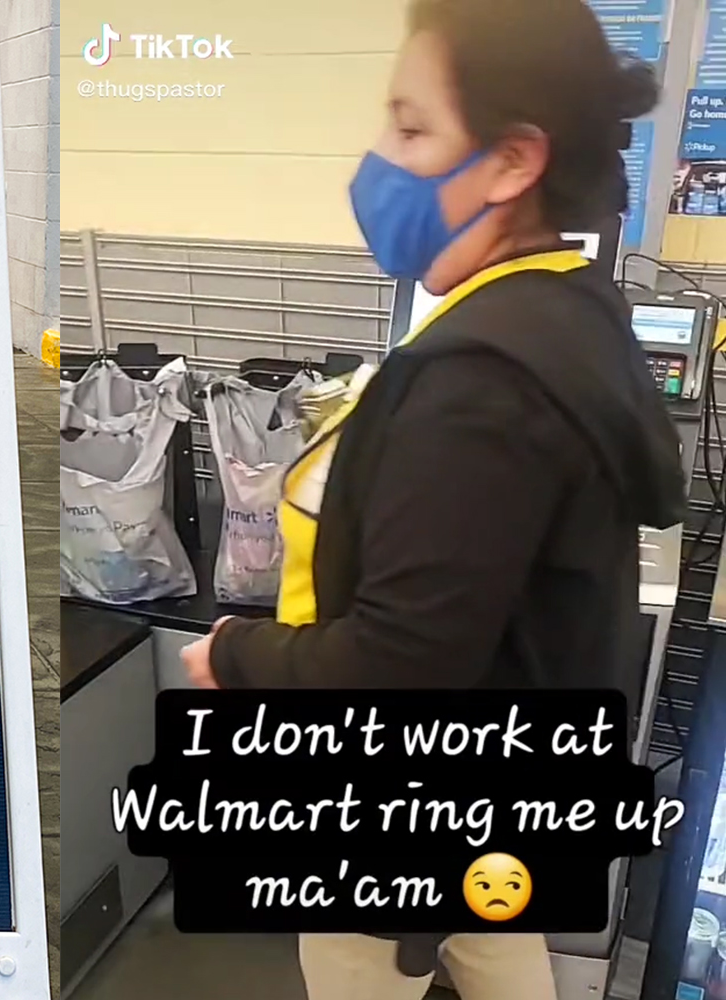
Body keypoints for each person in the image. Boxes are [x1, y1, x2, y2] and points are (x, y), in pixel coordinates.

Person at [177, 0, 685, 997]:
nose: (376, 159)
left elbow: (397, 664)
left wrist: (229, 657)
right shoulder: (562, 308)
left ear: (509, 162)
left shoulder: (480, 382)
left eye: (410, 127)